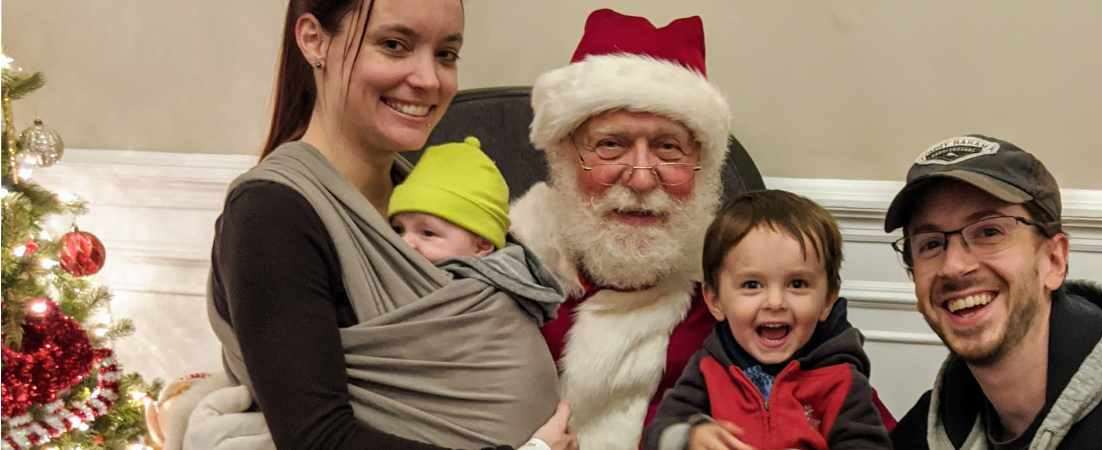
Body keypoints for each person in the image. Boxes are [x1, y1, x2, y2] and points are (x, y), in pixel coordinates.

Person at [179, 1, 575, 449]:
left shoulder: (424, 197)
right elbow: (318, 440)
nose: (428, 79)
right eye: (394, 45)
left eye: (446, 54)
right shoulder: (271, 213)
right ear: (313, 40)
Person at [509, 9, 894, 449]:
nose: (640, 178)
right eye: (611, 144)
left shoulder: (740, 296)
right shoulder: (505, 281)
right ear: (565, 156)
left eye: (668, 148)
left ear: (703, 169)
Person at [885, 135, 1102, 449]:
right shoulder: (927, 428)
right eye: (930, 244)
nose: (953, 266)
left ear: (1054, 260)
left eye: (989, 231)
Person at [643, 190, 891, 450]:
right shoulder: (707, 368)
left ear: (827, 300)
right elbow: (658, 433)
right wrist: (690, 437)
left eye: (797, 284)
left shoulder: (841, 379)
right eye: (752, 284)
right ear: (715, 300)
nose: (775, 302)